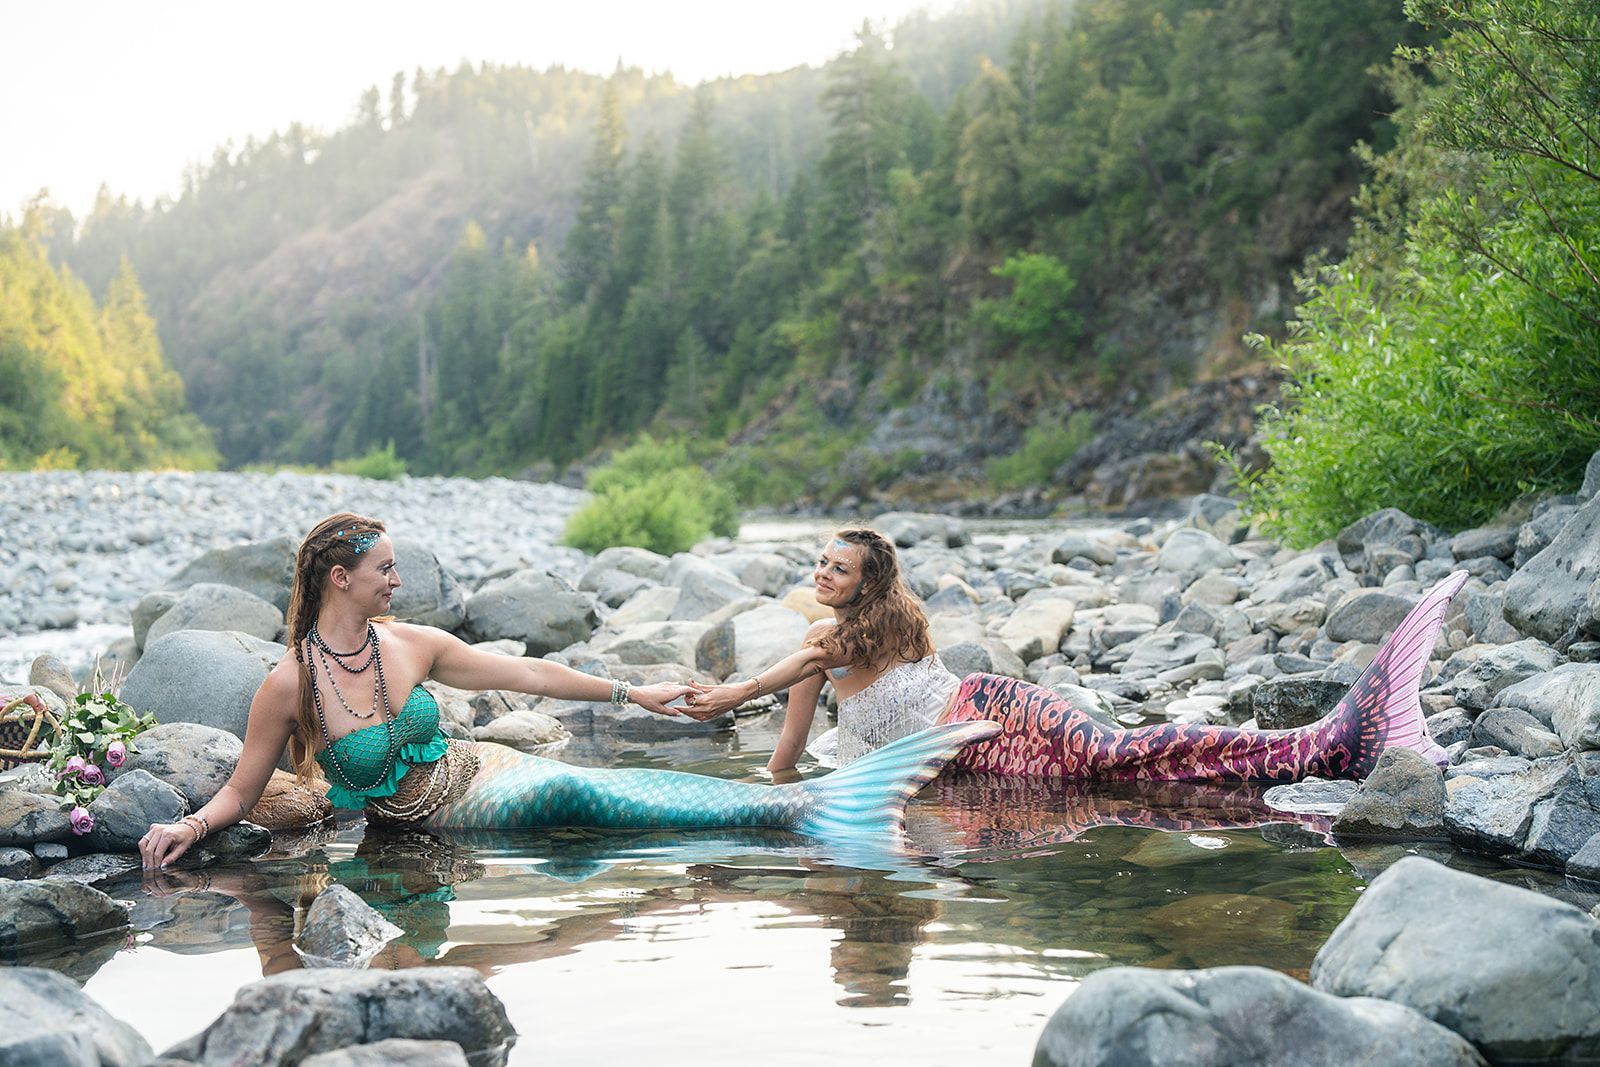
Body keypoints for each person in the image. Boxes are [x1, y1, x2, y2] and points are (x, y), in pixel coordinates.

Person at [138, 514, 998, 869]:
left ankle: (794, 812)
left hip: (477, 770)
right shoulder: (289, 681)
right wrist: (188, 821)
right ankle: (791, 816)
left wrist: (635, 690)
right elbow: (246, 786)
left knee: (603, 793)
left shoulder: (413, 643)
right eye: (384, 569)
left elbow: (535, 675)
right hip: (432, 817)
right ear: (339, 579)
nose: (397, 581)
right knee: (576, 789)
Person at [679, 527, 1465, 783]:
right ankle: (1307, 761)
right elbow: (788, 746)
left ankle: (1324, 740)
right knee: (1118, 774)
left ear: (867, 582)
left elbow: (791, 673)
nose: (821, 573)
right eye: (819, 563)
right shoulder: (820, 644)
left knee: (1111, 746)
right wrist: (770, 792)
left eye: (837, 567)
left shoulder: (853, 633)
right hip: (960, 759)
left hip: (986, 708)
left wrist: (727, 694)